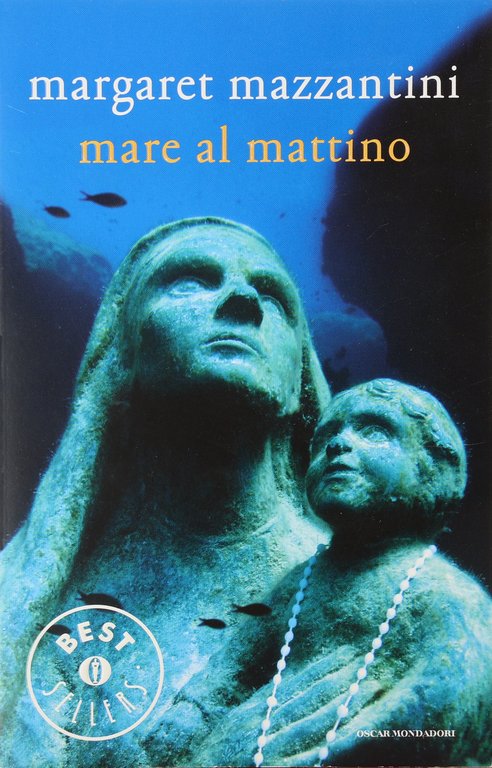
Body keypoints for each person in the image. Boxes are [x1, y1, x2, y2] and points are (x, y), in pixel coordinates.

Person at [0, 218, 330, 767]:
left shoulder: (370, 586)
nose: (244, 300)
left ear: (299, 380)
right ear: (124, 353)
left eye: (273, 297)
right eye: (191, 281)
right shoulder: (27, 601)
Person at [200, 379, 492, 766]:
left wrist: (321, 755)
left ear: (433, 469)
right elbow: (229, 673)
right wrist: (187, 717)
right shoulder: (300, 583)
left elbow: (445, 707)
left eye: (374, 431)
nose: (338, 444)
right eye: (325, 436)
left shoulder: (445, 592)